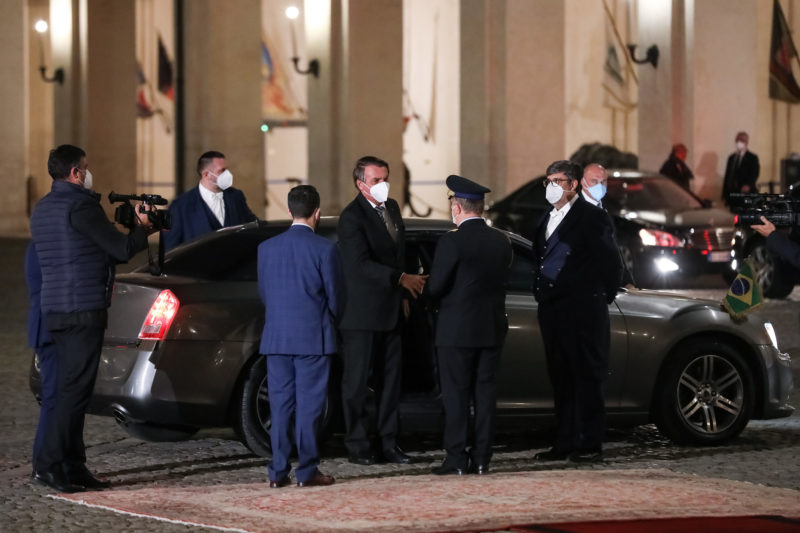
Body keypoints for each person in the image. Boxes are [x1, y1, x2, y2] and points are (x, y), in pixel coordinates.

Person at [29, 144, 154, 492]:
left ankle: (72, 466)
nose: (87, 172)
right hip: (82, 309)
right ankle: (50, 466)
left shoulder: (42, 209)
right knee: (73, 394)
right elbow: (122, 250)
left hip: (55, 309)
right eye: (85, 167)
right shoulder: (82, 205)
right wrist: (143, 228)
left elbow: (76, 253)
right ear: (74, 173)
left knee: (72, 392)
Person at [337, 155, 428, 465]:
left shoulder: (391, 209)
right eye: (377, 180)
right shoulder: (351, 218)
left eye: (386, 178)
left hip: (391, 313)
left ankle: (389, 443)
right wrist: (400, 279)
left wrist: (401, 293)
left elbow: (398, 254)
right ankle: (358, 446)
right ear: (361, 184)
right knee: (357, 384)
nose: (383, 185)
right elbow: (359, 265)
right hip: (361, 315)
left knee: (391, 384)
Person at [532, 160, 623, 463]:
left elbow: (610, 263)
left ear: (572, 185)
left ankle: (588, 443)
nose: (551, 186)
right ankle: (565, 441)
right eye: (548, 180)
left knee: (585, 376)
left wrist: (598, 297)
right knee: (561, 377)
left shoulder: (591, 217)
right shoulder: (546, 217)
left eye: (557, 180)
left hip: (583, 311)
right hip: (553, 310)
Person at [257, 185, 344, 488]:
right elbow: (335, 298)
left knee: (280, 407)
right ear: (317, 213)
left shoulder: (266, 249)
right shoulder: (325, 249)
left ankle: (278, 471)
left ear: (289, 210)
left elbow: (265, 294)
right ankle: (307, 471)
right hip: (313, 339)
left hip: (277, 338)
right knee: (309, 408)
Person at [427, 175, 512, 476]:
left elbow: (435, 287)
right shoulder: (501, 240)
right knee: (485, 395)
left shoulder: (451, 241)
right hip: (490, 328)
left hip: (456, 331)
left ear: (457, 207)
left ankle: (455, 458)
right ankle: (481, 459)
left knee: (456, 395)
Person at [163, 150, 257, 249]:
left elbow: (253, 226)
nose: (227, 174)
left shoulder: (236, 196)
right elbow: (171, 248)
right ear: (206, 175)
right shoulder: (180, 206)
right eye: (222, 170)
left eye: (227, 170)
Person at [25, 243, 59, 487]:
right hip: (49, 329)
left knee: (59, 399)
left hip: (50, 327)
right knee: (54, 399)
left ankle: (54, 462)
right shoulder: (43, 246)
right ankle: (44, 466)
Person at [580, 163, 635, 288]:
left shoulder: (604, 209)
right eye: (594, 181)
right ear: (583, 183)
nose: (599, 186)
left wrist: (627, 281)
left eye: (603, 182)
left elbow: (614, 250)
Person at [722, 132, 760, 204]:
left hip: (746, 193)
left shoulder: (752, 157)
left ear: (747, 142)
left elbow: (755, 173)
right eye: (738, 140)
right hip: (732, 194)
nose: (739, 142)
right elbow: (728, 176)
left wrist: (748, 185)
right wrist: (724, 194)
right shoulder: (732, 157)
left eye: (742, 140)